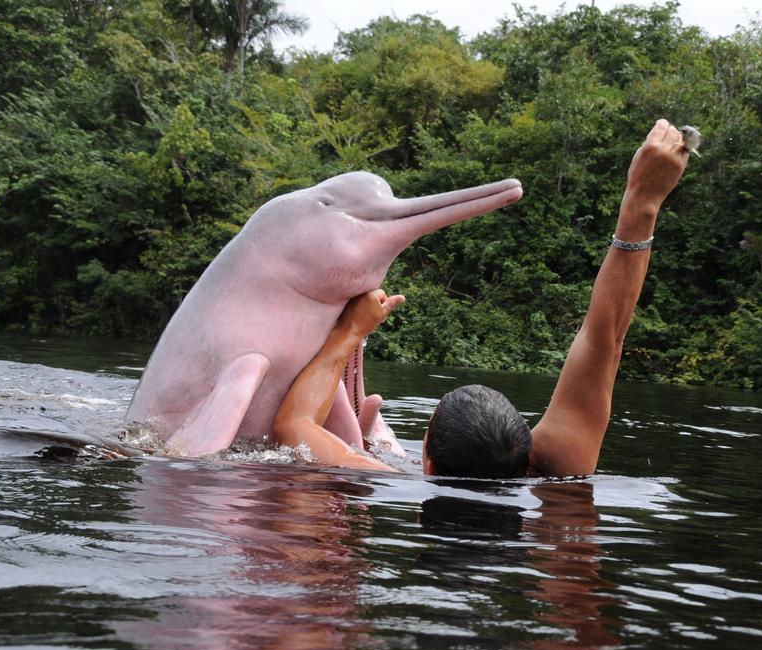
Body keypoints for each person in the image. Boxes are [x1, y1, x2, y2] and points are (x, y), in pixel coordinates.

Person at [273, 119, 690, 476]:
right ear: (529, 453)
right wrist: (644, 202)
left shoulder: (389, 479)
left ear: (427, 463)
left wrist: (351, 328)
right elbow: (605, 341)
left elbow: (293, 423)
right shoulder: (558, 475)